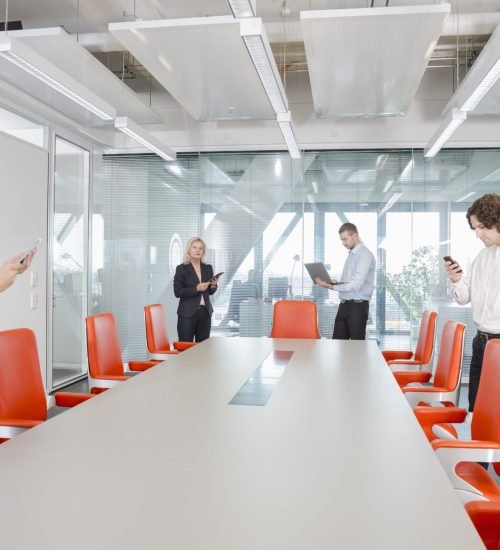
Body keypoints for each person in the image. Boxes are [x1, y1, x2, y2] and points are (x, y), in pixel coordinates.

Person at [444, 193, 500, 412]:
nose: (477, 234)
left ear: (496, 221)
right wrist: (457, 279)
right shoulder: (482, 257)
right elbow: (463, 297)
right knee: (477, 408)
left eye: (481, 228)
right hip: (481, 342)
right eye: (475, 228)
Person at [316, 222, 376, 340]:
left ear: (354, 236)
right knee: (337, 343)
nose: (343, 243)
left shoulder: (365, 255)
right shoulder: (352, 255)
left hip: (357, 308)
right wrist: (333, 283)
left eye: (345, 239)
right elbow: (350, 281)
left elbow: (356, 284)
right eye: (341, 240)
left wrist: (332, 287)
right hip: (344, 305)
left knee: (356, 347)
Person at [173, 237, 219, 342]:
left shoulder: (208, 268)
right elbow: (177, 292)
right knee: (185, 349)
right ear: (189, 250)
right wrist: (196, 288)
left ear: (203, 252)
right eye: (194, 247)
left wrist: (213, 285)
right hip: (187, 314)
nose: (198, 250)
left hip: (205, 313)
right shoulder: (181, 269)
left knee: (203, 349)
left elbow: (210, 292)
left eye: (200, 248)